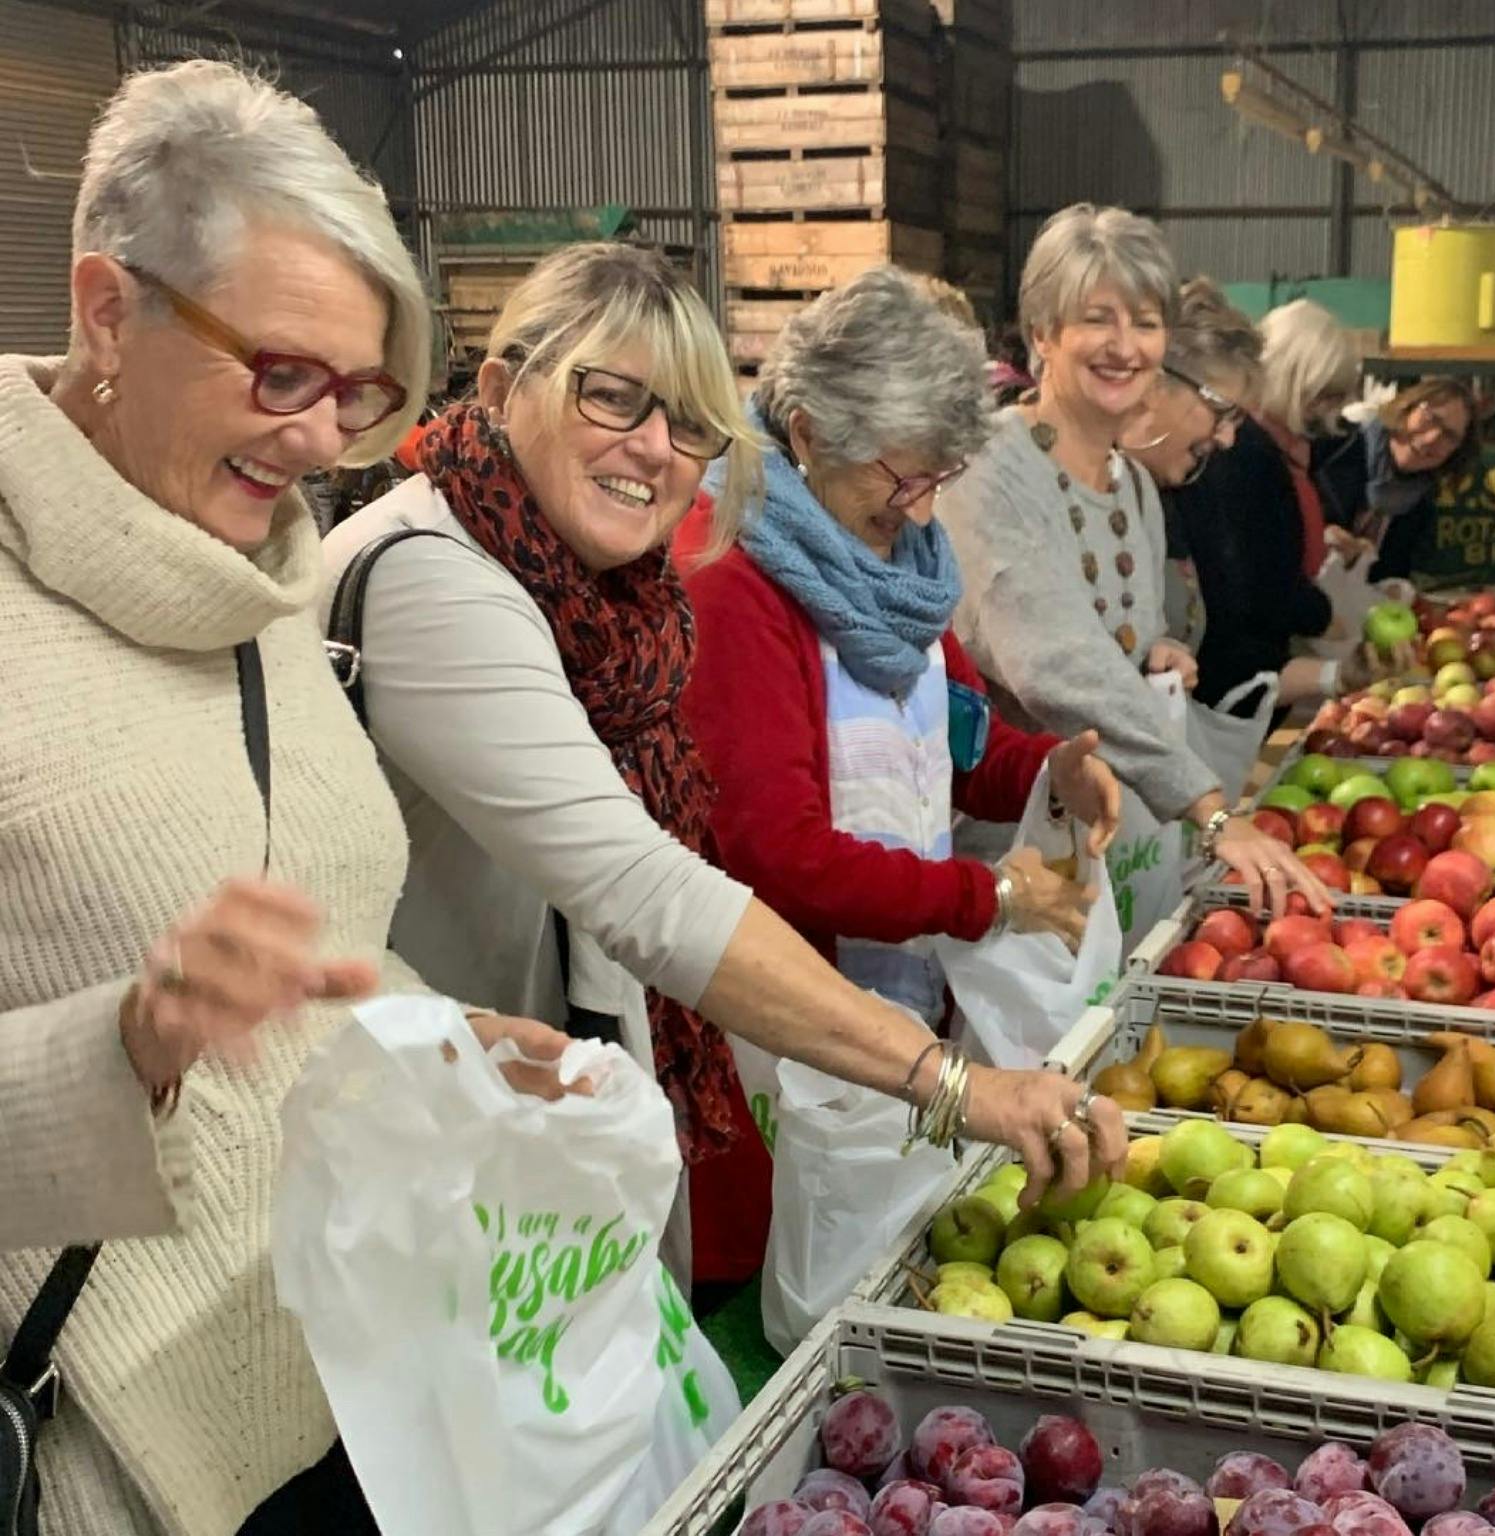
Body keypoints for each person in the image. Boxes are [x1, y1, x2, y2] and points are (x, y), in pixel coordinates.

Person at [0, 60, 590, 1536]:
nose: (326, 439)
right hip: (112, 1462)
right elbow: (171, 1001)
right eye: (281, 373)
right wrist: (119, 1048)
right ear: (105, 310)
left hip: (343, 1380)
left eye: (362, 391)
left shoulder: (264, 567)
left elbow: (293, 933)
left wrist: (426, 1029)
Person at [324, 244, 1126, 1288]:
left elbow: (952, 734)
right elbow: (655, 881)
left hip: (523, 1101)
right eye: (611, 399)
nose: (656, 449)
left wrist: (1036, 771)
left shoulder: (611, 594)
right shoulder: (442, 583)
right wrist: (950, 1081)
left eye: (691, 421)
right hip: (424, 1136)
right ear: (499, 388)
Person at [681, 266, 1119, 1026]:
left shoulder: (900, 566)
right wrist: (987, 896)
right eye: (902, 477)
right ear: (811, 433)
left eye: (937, 478)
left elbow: (957, 745)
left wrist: (1049, 775)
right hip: (787, 1023)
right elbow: (777, 852)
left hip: (898, 1007)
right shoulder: (732, 575)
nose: (920, 511)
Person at [941, 204, 1324, 917]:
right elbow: (1055, 660)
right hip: (1010, 858)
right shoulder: (990, 469)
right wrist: (1209, 806)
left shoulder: (1135, 488)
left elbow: (1117, 640)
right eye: (1097, 318)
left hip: (1113, 847)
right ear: (1042, 333)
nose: (1124, 345)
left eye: (1145, 323)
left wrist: (1157, 652)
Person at [1161, 298, 1384, 717]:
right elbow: (1251, 578)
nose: (1328, 410)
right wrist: (1321, 620)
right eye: (1323, 394)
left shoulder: (1284, 447)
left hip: (1245, 673)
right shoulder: (1243, 453)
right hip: (1232, 678)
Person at [1321, 377, 1481, 580]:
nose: (1431, 439)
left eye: (1449, 436)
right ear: (1406, 407)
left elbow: (1395, 574)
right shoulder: (1336, 447)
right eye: (1431, 418)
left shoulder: (1422, 502)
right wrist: (1320, 533)